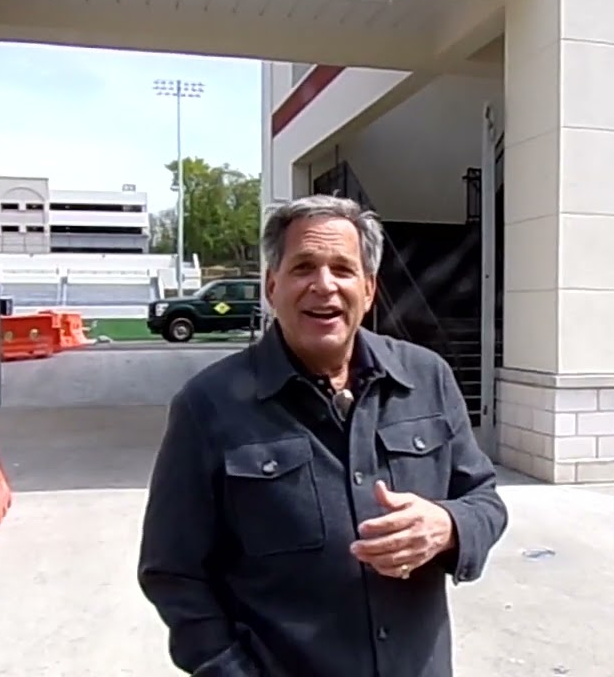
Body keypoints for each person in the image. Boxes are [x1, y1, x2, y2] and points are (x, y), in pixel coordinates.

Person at [137, 194, 509, 677]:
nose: (324, 285)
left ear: (370, 289)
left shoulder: (427, 378)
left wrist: (448, 526)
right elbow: (172, 571)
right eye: (304, 267)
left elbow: (483, 498)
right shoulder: (208, 406)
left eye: (342, 268)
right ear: (272, 286)